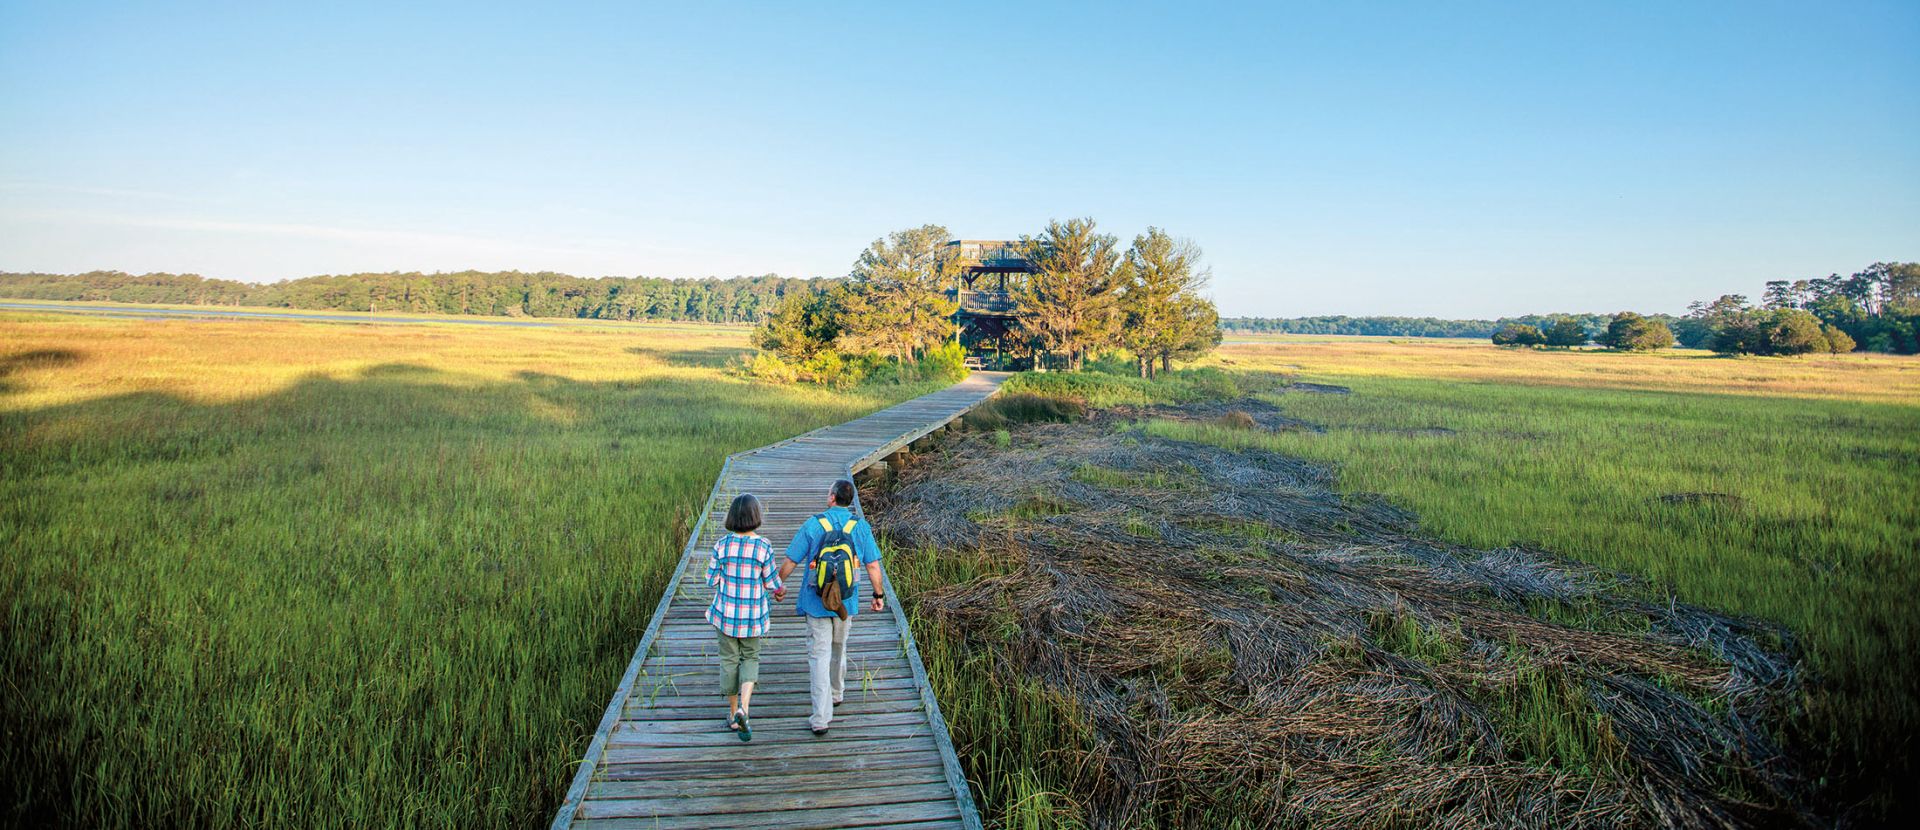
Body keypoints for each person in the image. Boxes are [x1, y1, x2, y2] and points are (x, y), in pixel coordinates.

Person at [774, 478, 889, 736]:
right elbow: (872, 565)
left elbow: (791, 560)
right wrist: (878, 593)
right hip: (845, 603)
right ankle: (837, 693)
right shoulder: (860, 527)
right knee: (839, 648)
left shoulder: (813, 524)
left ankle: (821, 718)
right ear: (850, 502)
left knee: (819, 656)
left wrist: (777, 585)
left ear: (832, 498)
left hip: (816, 602)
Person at [706, 493, 781, 742]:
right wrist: (780, 590)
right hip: (752, 618)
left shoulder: (722, 545)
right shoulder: (763, 547)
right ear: (756, 517)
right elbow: (771, 583)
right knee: (750, 657)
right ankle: (744, 709)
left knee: (729, 660)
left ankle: (731, 713)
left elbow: (711, 580)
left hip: (725, 615)